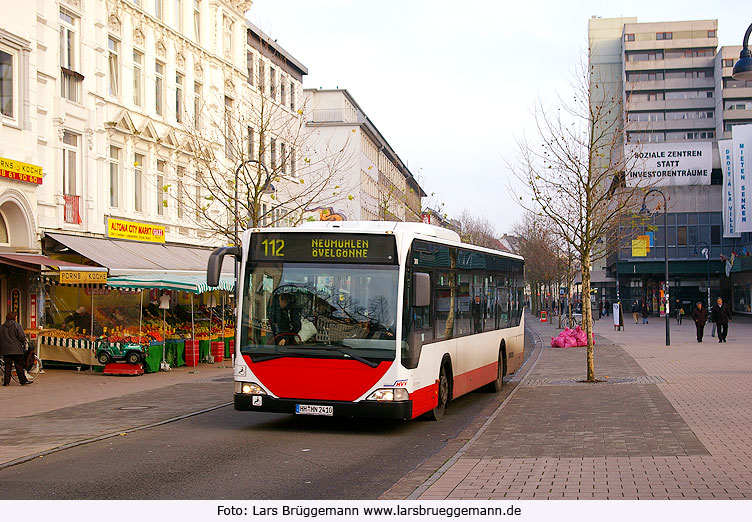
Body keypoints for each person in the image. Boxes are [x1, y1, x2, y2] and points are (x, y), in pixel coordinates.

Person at [1, 312, 31, 386]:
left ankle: (6, 382)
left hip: (5, 350)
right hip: (16, 349)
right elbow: (21, 336)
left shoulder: (2, 327)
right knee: (19, 365)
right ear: (14, 317)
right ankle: (23, 381)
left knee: (8, 366)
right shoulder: (17, 325)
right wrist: (23, 343)